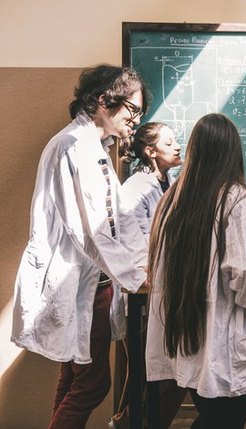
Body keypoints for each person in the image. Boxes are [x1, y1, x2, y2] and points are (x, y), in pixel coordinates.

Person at [11, 64, 149, 429]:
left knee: (73, 379)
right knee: (91, 384)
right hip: (79, 283)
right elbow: (89, 229)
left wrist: (142, 261)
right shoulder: (73, 146)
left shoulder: (96, 147)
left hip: (93, 283)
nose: (135, 121)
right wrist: (135, 274)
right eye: (132, 111)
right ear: (105, 100)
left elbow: (120, 214)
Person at [146, 113, 246, 429]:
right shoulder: (237, 198)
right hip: (225, 334)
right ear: (234, 152)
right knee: (228, 416)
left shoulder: (172, 200)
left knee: (210, 411)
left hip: (187, 331)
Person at [120, 122, 185, 428]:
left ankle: (139, 421)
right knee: (155, 371)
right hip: (146, 289)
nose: (177, 146)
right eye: (169, 143)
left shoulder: (168, 182)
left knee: (168, 370)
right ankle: (133, 422)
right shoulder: (136, 187)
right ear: (150, 151)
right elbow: (131, 238)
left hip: (166, 284)